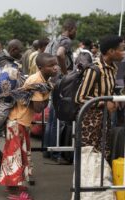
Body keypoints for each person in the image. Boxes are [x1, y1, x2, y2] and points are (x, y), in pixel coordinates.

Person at [0, 53, 58, 199]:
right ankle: (13, 192)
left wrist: (47, 90)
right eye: (51, 65)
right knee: (14, 156)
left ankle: (14, 185)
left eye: (55, 64)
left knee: (19, 155)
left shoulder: (42, 80)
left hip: (21, 121)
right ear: (40, 67)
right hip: (17, 121)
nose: (55, 68)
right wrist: (48, 93)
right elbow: (38, 107)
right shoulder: (37, 80)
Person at [75, 35, 124, 161]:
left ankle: (100, 181)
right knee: (89, 156)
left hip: (104, 120)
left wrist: (115, 99)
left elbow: (107, 91)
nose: (123, 53)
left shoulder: (112, 68)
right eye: (121, 49)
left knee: (103, 156)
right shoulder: (94, 69)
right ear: (111, 51)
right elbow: (80, 98)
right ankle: (85, 181)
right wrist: (104, 103)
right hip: (90, 122)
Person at [43, 19, 76, 163]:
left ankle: (48, 151)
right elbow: (60, 54)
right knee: (59, 120)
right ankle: (57, 155)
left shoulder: (52, 40)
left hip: (52, 81)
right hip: (61, 83)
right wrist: (65, 72)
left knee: (51, 120)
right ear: (71, 29)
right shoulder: (66, 41)